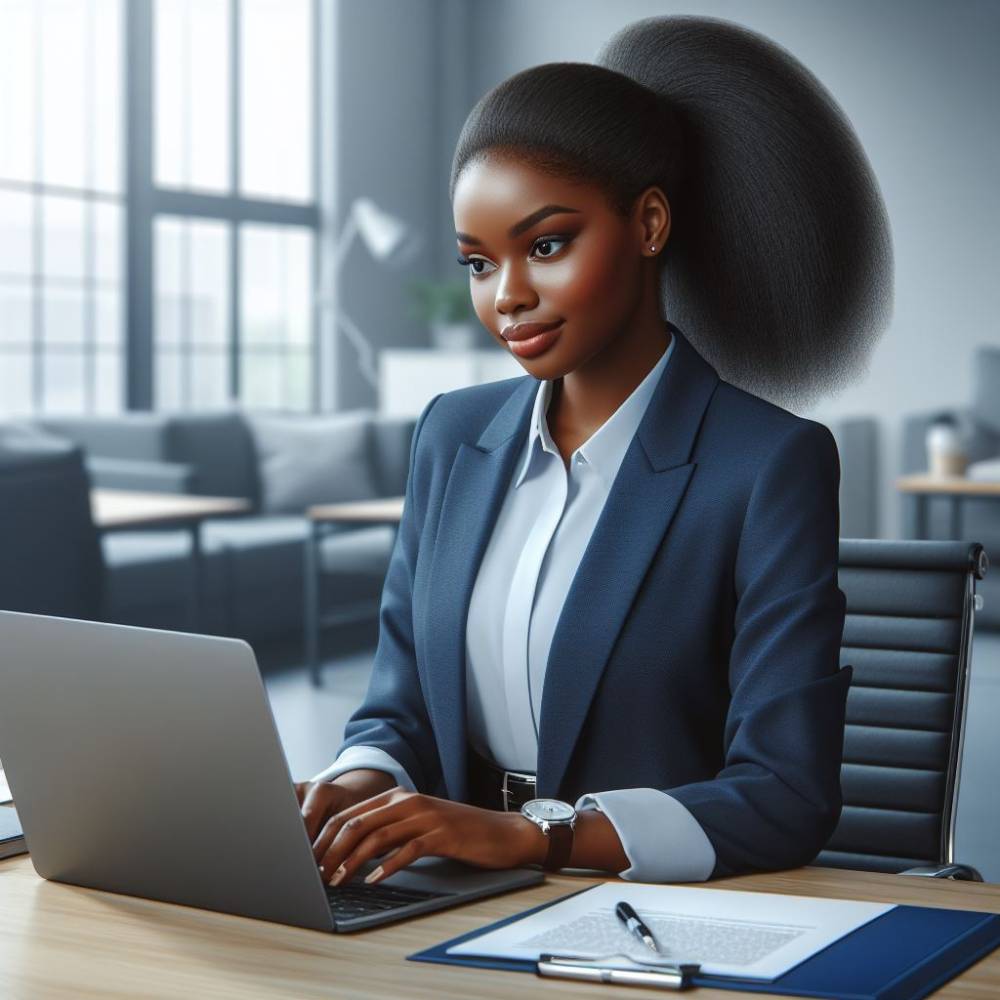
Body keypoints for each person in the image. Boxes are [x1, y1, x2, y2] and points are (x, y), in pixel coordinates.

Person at [295, 15, 892, 889]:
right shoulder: (452, 436)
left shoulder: (768, 464)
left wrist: (542, 837)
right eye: (477, 263)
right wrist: (356, 787)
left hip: (634, 904)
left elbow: (783, 793)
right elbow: (401, 710)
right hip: (442, 891)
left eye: (546, 246)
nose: (508, 297)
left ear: (648, 223)